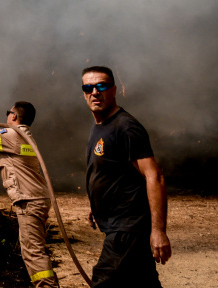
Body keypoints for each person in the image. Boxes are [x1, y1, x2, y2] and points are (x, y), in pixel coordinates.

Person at [81, 66, 171, 288]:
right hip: (119, 224)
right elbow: (112, 172)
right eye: (88, 87)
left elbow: (154, 177)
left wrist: (159, 231)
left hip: (127, 227)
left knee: (103, 281)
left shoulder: (126, 127)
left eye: (101, 86)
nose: (95, 92)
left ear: (114, 89)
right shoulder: (100, 126)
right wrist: (98, 204)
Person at [0, 101, 58, 288]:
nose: (7, 116)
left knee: (33, 253)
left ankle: (47, 286)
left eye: (8, 112)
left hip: (29, 201)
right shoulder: (22, 137)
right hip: (35, 199)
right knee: (35, 249)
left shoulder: (10, 134)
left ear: (14, 116)